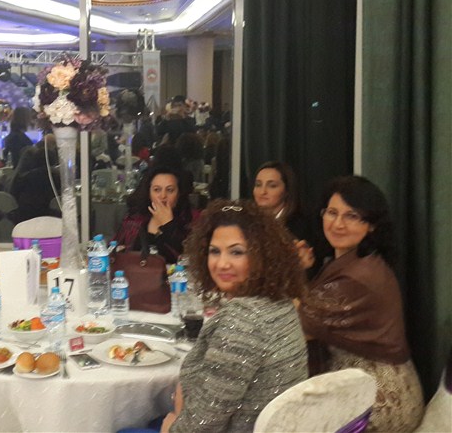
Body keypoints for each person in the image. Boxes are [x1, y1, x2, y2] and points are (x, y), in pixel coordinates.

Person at [162, 199, 308, 432]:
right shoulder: (281, 304)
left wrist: (170, 426)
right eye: (215, 251)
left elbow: (203, 423)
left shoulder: (242, 319)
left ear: (263, 257)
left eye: (236, 252)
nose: (222, 264)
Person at [298, 176, 424, 431]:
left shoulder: (358, 276)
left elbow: (300, 324)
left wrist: (291, 271)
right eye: (332, 212)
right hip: (362, 383)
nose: (338, 224)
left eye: (352, 216)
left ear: (372, 225)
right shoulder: (355, 260)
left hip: (380, 400)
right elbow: (311, 307)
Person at [113, 165, 193, 264]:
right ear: (149, 193)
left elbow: (189, 257)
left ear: (178, 194)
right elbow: (115, 254)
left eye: (169, 190)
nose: (163, 196)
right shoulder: (133, 221)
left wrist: (169, 225)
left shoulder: (189, 222)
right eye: (157, 190)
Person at [252, 161, 316, 269]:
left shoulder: (301, 225)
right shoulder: (248, 222)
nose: (262, 192)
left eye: (272, 186)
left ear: (287, 191)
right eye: (258, 185)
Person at [10, 145, 60, 224]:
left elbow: (14, 194)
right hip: (51, 218)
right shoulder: (56, 177)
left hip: (25, 218)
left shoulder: (26, 177)